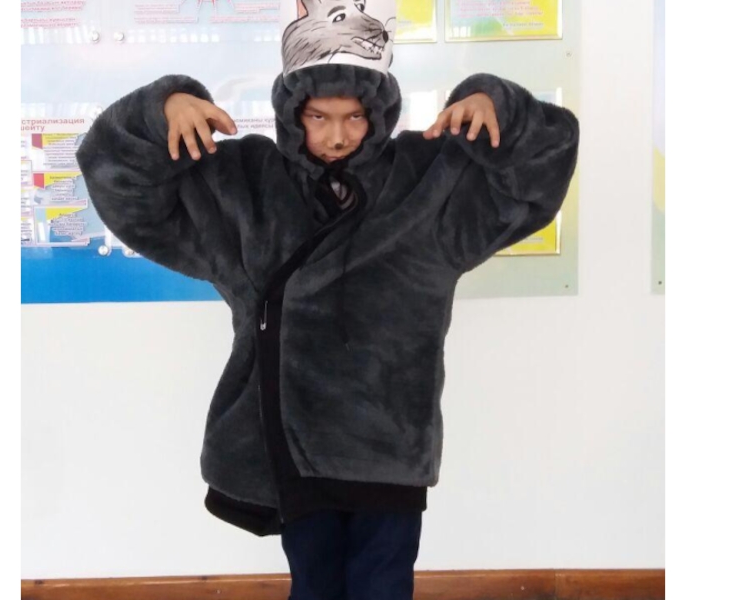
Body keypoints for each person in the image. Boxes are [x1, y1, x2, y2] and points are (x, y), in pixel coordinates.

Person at [75, 1, 579, 597]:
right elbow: (117, 181)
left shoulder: (428, 182)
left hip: (391, 439)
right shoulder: (245, 184)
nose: (337, 135)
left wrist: (500, 108)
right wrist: (162, 108)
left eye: (355, 116)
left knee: (382, 584)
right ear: (292, 112)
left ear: (379, 111)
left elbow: (540, 174)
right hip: (294, 440)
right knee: (314, 583)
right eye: (318, 116)